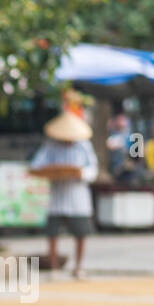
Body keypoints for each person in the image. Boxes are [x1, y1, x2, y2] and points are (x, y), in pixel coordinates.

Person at [29, 111, 99, 279]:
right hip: (57, 195)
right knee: (53, 233)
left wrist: (80, 174)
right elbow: (36, 165)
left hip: (77, 196)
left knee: (81, 233)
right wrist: (53, 171)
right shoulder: (50, 146)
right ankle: (54, 268)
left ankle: (79, 267)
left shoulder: (84, 146)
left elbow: (93, 170)